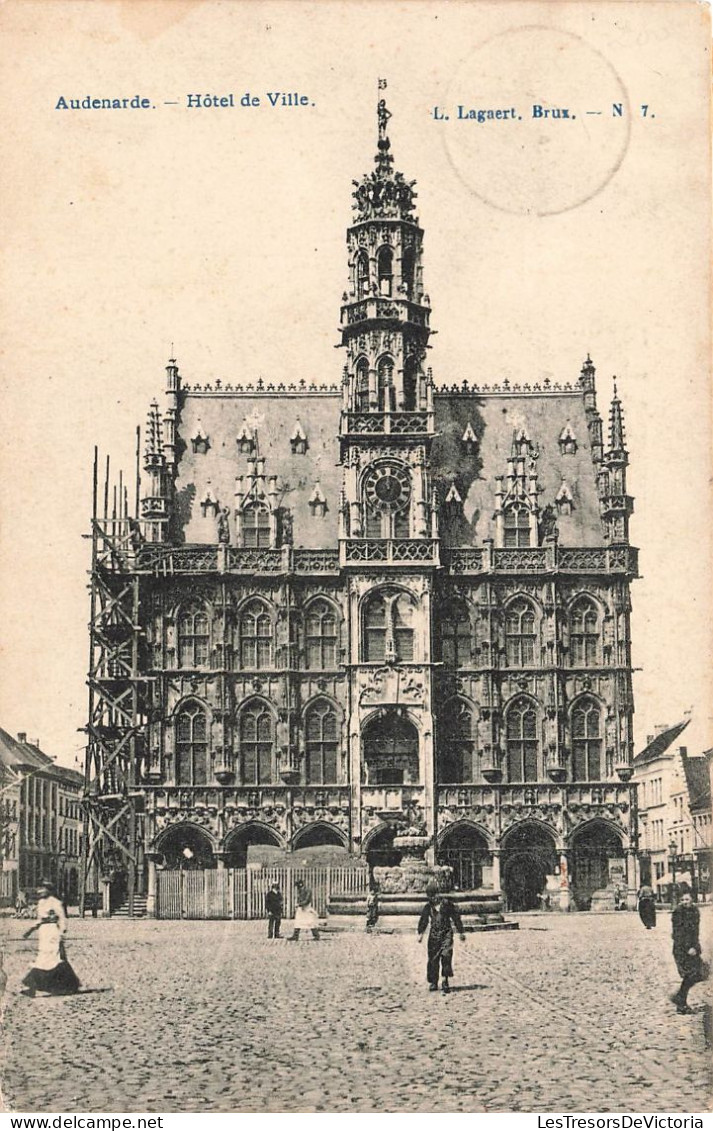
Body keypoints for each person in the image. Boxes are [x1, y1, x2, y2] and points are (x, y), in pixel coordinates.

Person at [417, 881, 466, 994]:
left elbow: (456, 917)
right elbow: (423, 920)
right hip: (434, 935)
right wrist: (420, 934)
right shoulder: (428, 907)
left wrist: (461, 932)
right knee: (433, 958)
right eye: (430, 896)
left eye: (434, 895)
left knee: (446, 955)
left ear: (438, 894)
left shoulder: (447, 904)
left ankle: (445, 980)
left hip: (446, 933)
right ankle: (434, 981)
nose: (433, 898)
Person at [21, 908, 80, 997]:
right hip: (47, 934)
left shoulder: (53, 903)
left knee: (52, 960)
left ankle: (68, 986)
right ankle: (69, 986)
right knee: (49, 960)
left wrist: (30, 930)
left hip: (52, 934)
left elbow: (60, 918)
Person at [670, 890, 707, 1014]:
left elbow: (695, 932)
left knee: (699, 973)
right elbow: (677, 934)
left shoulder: (695, 912)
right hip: (681, 949)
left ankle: (679, 997)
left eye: (687, 899)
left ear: (692, 900)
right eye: (683, 900)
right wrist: (688, 948)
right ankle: (681, 1003)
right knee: (691, 974)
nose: (685, 902)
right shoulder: (678, 913)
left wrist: (696, 947)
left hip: (693, 948)